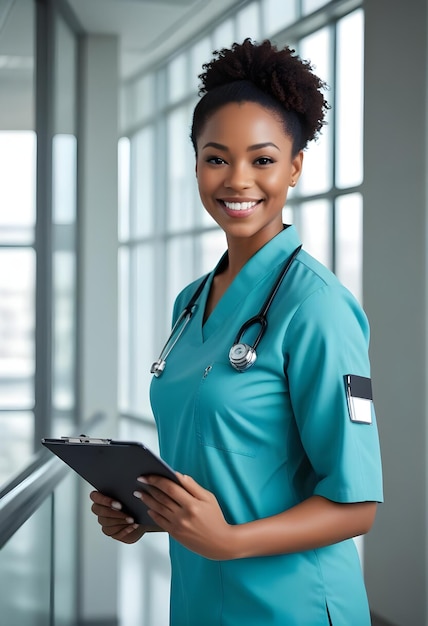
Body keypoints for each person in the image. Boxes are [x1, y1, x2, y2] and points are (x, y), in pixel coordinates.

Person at [90, 39, 383, 625]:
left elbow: (357, 507)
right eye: (217, 158)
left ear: (296, 167)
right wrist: (144, 509)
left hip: (294, 605)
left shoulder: (318, 308)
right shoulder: (189, 302)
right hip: (201, 598)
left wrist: (229, 541)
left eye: (264, 159)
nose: (237, 181)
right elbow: (211, 460)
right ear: (196, 163)